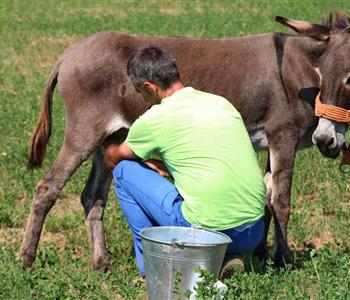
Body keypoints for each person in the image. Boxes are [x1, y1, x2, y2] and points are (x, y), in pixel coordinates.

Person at [104, 44, 266, 279]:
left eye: (140, 92)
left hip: (207, 232)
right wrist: (164, 166)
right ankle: (228, 256)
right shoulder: (220, 103)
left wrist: (109, 146)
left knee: (124, 172)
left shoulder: (154, 119)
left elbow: (114, 159)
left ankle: (152, 268)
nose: (143, 99)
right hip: (253, 230)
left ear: (149, 87)